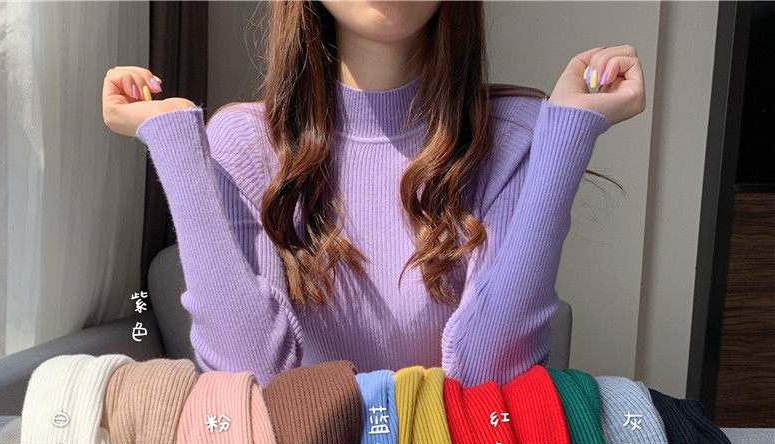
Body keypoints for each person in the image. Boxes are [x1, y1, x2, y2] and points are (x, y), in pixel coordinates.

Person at [102, 0, 645, 386]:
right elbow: (253, 379)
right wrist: (176, 144)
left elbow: (490, 378)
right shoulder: (246, 144)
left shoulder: (514, 135)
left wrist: (568, 135)